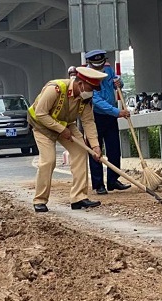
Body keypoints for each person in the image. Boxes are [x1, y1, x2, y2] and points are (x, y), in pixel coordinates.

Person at [27, 66, 107, 212]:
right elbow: (40, 114)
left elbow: (88, 121)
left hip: (65, 125)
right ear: (80, 83)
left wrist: (95, 146)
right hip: (42, 126)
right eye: (90, 88)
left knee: (81, 152)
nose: (92, 92)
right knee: (48, 161)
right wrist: (61, 130)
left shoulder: (85, 99)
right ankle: (40, 200)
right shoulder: (55, 89)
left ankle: (79, 198)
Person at [85, 49, 131, 195]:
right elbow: (96, 100)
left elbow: (116, 84)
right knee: (96, 150)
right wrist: (117, 112)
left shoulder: (108, 69)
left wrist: (119, 82)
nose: (100, 67)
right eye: (96, 64)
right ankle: (98, 184)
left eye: (101, 63)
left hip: (110, 117)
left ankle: (113, 180)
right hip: (95, 117)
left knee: (114, 149)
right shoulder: (86, 75)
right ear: (89, 63)